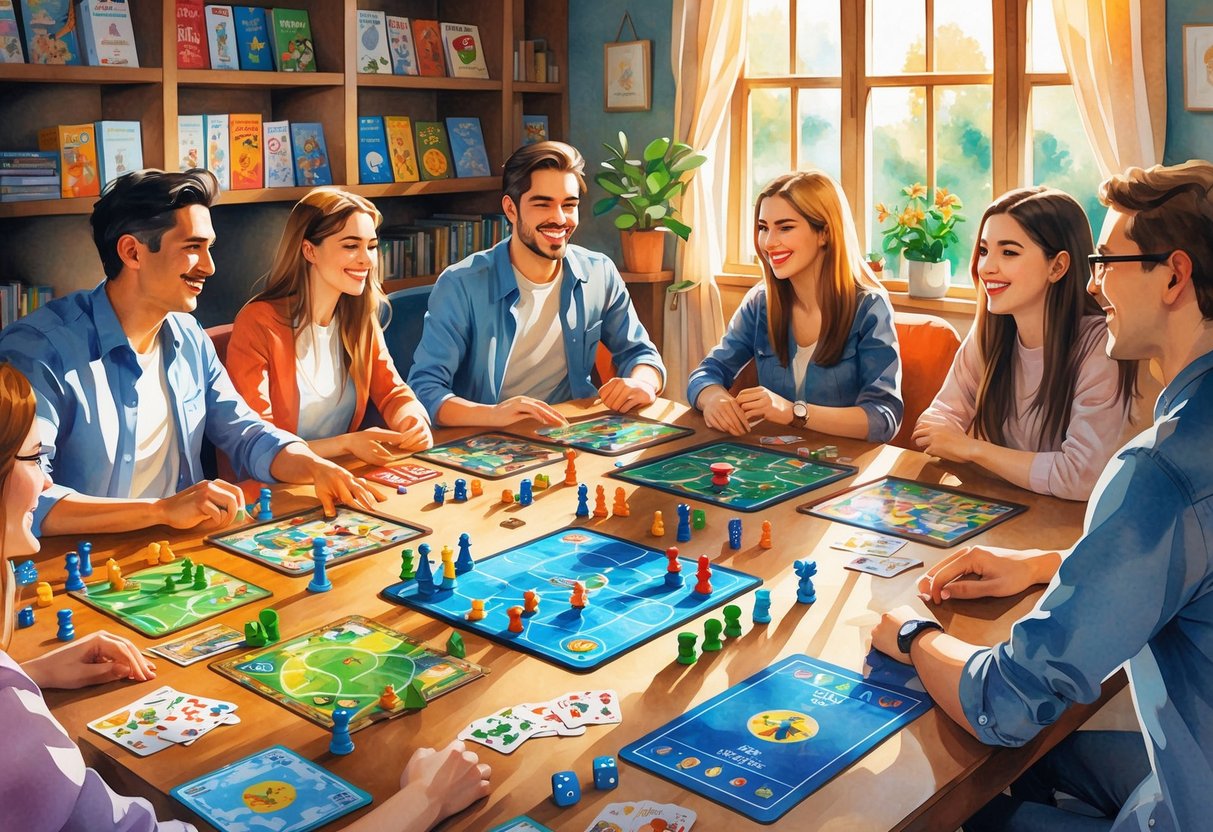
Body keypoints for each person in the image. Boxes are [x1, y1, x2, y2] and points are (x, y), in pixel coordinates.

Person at [0, 363, 491, 831]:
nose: (48, 481)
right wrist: (427, 799)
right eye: (34, 458)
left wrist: (26, 671)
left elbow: (250, 432)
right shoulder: (20, 745)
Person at [870, 160, 1213, 831]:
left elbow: (1004, 703)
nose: (1093, 283)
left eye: (1105, 262)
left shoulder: (1157, 470)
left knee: (968, 803)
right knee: (1041, 765)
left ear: (1173, 276)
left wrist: (913, 634)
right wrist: (1046, 563)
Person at [0, 170, 382, 537]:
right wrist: (159, 511)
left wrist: (316, 467)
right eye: (192, 248)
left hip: (183, 552)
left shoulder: (189, 337)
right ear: (132, 252)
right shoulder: (39, 351)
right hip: (82, 567)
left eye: (208, 248)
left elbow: (248, 435)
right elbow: (21, 497)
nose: (210, 267)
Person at [407, 141, 665, 427]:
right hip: (486, 436)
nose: (559, 219)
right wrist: (493, 415)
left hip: (571, 430)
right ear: (511, 209)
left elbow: (641, 354)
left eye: (569, 205)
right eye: (543, 204)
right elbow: (425, 389)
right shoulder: (461, 285)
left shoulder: (599, 272)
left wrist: (642, 383)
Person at [913, 187, 1137, 500]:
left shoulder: (1100, 345)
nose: (986, 267)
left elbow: (1081, 476)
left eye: (1009, 252)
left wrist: (971, 449)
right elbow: (933, 426)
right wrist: (952, 438)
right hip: (1005, 505)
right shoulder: (989, 332)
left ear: (1057, 266)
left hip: (1069, 521)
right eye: (984, 250)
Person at [687, 171, 902, 442]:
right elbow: (706, 372)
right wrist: (713, 398)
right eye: (763, 228)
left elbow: (883, 418)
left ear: (824, 233)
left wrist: (793, 412)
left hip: (840, 460)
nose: (768, 242)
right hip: (775, 458)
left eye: (785, 228)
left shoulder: (870, 308)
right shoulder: (760, 302)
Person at [228, 188, 432, 466]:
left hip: (340, 473)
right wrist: (345, 444)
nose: (367, 260)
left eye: (372, 246)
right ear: (309, 250)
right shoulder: (258, 322)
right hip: (276, 482)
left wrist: (413, 420)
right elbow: (260, 442)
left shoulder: (359, 317)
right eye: (351, 246)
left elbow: (393, 392)